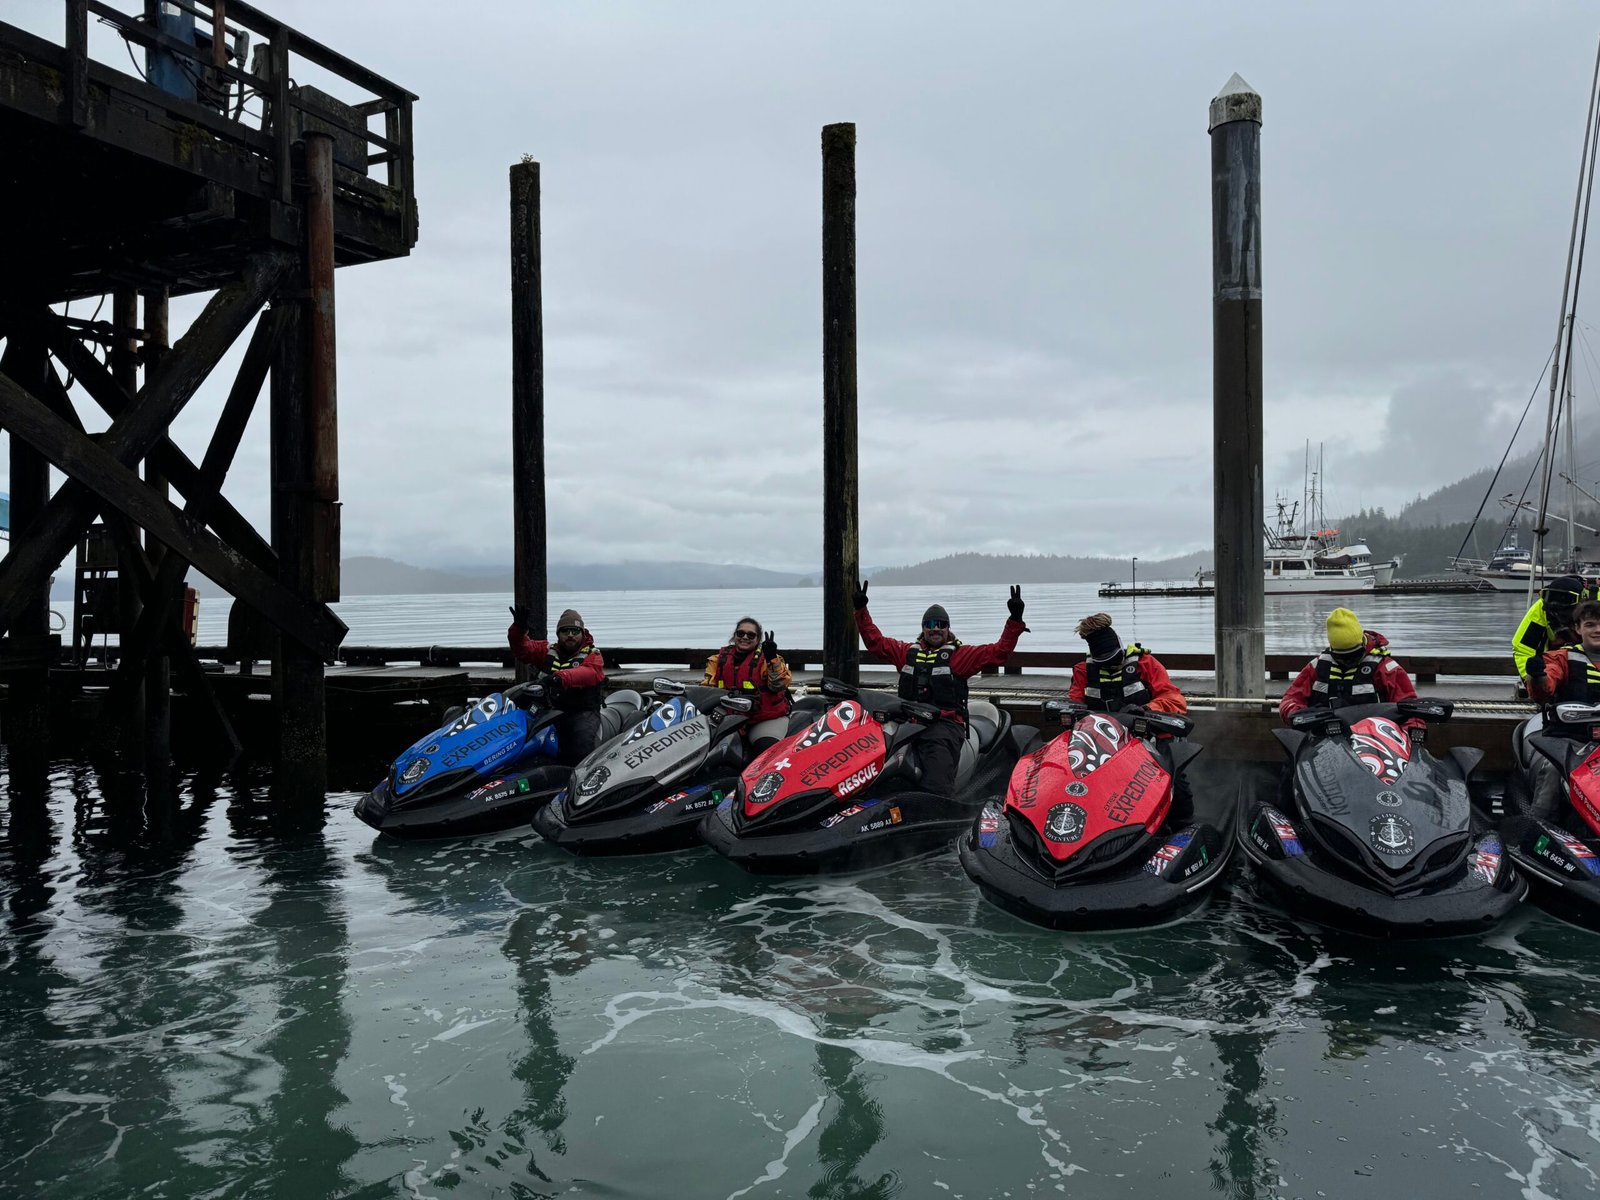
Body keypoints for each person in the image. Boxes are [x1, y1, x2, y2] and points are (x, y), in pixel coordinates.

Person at [853, 580, 1027, 796]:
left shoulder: (961, 656)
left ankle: (938, 807)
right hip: (907, 723)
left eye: (941, 624)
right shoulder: (906, 652)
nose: (935, 628)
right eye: (930, 624)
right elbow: (875, 642)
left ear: (948, 628)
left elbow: (999, 652)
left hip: (944, 726)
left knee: (936, 778)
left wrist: (1015, 620)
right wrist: (861, 610)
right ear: (923, 628)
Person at [1279, 607, 1424, 739]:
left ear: (1362, 644)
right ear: (1332, 649)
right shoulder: (1318, 667)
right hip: (1324, 741)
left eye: (1354, 654)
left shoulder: (1386, 669)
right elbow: (1290, 699)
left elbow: (1410, 707)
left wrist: (1410, 733)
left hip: (1375, 743)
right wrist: (1298, 714)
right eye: (1342, 656)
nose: (1348, 661)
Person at [1522, 598, 1600, 817]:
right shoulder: (1562, 657)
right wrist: (1537, 677)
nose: (1597, 630)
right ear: (1578, 628)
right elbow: (1544, 688)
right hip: (1569, 741)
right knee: (1552, 772)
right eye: (1590, 625)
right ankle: (1537, 828)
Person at [506, 606, 607, 766]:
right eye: (565, 631)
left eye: (575, 631)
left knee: (579, 747)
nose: (570, 635)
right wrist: (519, 629)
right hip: (548, 711)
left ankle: (580, 780)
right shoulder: (546, 650)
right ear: (558, 634)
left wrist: (559, 678)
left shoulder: (593, 655)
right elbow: (522, 649)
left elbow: (589, 673)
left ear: (582, 632)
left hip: (581, 712)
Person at [702, 617, 793, 753]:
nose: (745, 637)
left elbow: (778, 685)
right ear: (735, 636)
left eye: (751, 635)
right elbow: (706, 691)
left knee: (765, 749)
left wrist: (772, 659)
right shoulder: (717, 660)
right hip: (729, 719)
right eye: (740, 633)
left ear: (758, 639)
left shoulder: (769, 659)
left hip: (764, 719)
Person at [1067, 613, 1186, 714]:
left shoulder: (1145, 663)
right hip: (1098, 733)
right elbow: (1074, 703)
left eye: (1115, 657)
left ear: (1120, 647)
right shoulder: (1083, 670)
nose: (1111, 664)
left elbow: (1174, 700)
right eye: (1104, 661)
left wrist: (1146, 709)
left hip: (1142, 731)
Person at [1512, 575, 1593, 687]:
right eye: (1552, 597)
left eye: (1565, 599)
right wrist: (1533, 680)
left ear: (1582, 599)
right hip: (1556, 663)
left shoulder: (1595, 606)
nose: (1557, 605)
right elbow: (1524, 649)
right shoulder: (1541, 609)